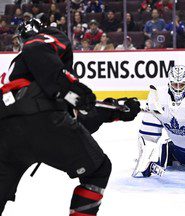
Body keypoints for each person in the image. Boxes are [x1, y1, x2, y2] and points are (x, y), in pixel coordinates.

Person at [0, 18, 140, 215]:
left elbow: (77, 118)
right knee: (98, 170)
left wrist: (116, 111)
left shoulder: (19, 72)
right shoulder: (42, 43)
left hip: (7, 134)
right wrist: (70, 89)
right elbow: (37, 50)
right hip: (40, 121)